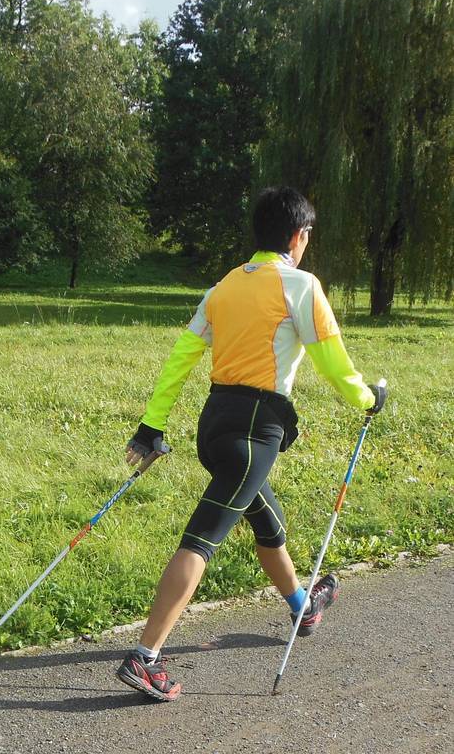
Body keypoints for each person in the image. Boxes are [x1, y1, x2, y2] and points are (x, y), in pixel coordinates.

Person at [116, 186, 387, 702]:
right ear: (297, 235)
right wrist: (368, 400)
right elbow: (333, 361)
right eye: (307, 235)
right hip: (255, 430)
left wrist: (152, 426)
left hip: (215, 425)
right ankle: (145, 657)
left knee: (266, 520)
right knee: (201, 539)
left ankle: (303, 606)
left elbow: (181, 357)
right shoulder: (301, 285)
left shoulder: (223, 286)